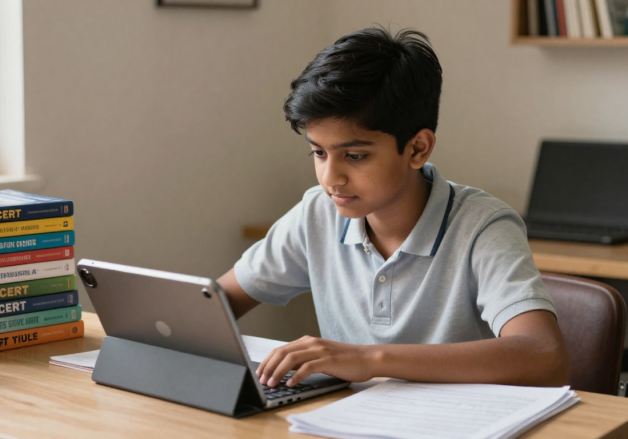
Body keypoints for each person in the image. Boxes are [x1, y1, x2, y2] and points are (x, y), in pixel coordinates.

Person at [217, 26, 569, 389]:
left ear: (417, 148)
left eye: (354, 156)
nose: (330, 178)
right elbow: (211, 306)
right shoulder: (317, 213)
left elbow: (544, 356)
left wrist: (368, 359)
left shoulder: (483, 226)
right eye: (318, 153)